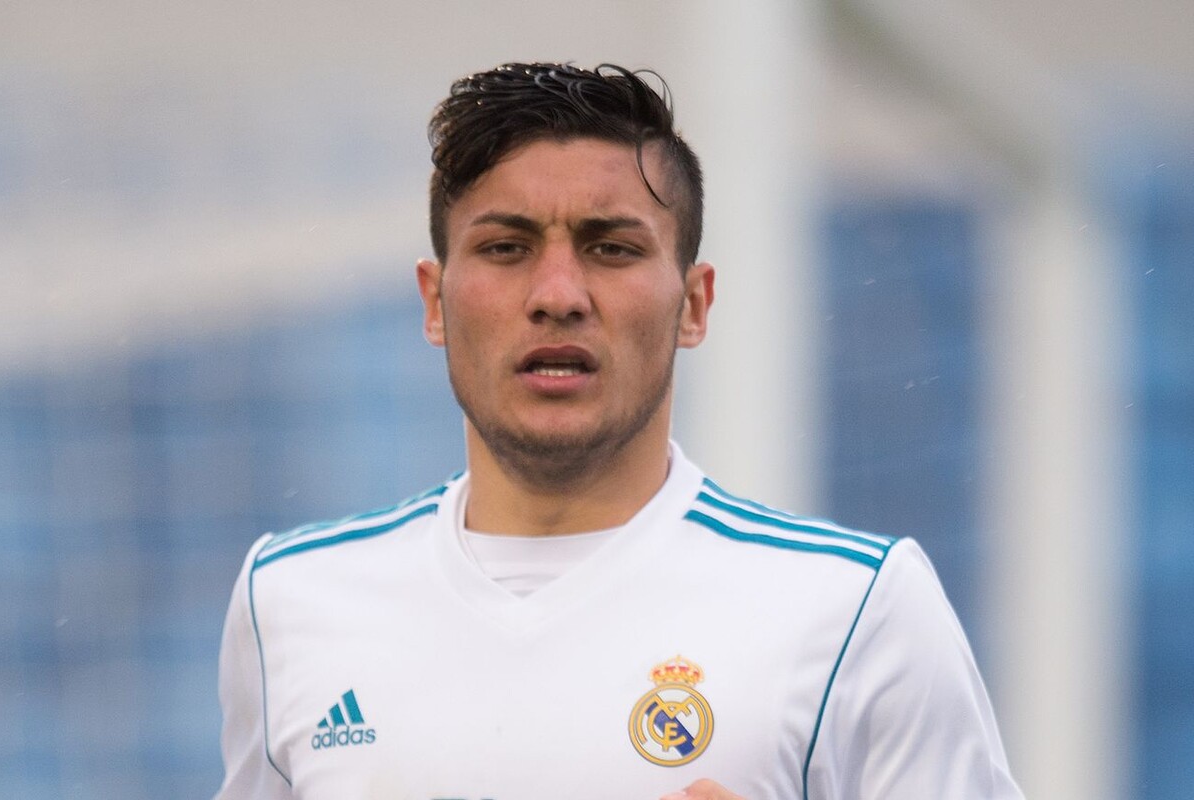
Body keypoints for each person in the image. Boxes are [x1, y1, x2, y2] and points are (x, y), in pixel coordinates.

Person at [215, 62, 1023, 800]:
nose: (558, 295)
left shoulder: (858, 609)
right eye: (506, 247)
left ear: (694, 305)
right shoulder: (289, 597)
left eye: (610, 248)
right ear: (435, 303)